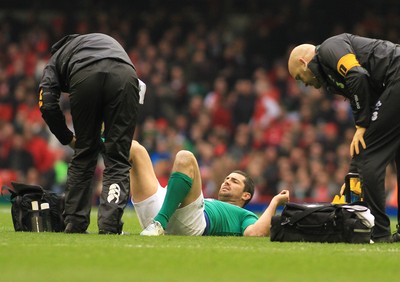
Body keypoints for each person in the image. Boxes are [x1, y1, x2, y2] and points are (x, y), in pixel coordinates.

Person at [288, 33, 400, 243]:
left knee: (369, 157)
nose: (303, 84)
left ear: (304, 62)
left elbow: (357, 75)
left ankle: (380, 232)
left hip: (397, 75)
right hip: (393, 84)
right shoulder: (330, 77)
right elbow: (369, 92)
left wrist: (361, 124)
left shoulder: (330, 48)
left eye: (298, 77)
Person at [39, 33, 144, 234]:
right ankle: (109, 224)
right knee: (118, 157)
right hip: (126, 74)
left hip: (84, 75)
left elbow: (47, 105)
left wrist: (67, 138)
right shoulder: (100, 41)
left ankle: (75, 222)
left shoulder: (55, 59)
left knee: (85, 152)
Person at [129, 140, 289, 236]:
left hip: (191, 223)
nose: (227, 182)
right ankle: (112, 223)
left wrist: (275, 202)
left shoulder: (246, 215)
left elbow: (255, 234)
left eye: (234, 181)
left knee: (185, 157)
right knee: (133, 148)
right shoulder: (210, 200)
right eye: (227, 179)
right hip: (167, 209)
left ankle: (159, 223)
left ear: (246, 195)